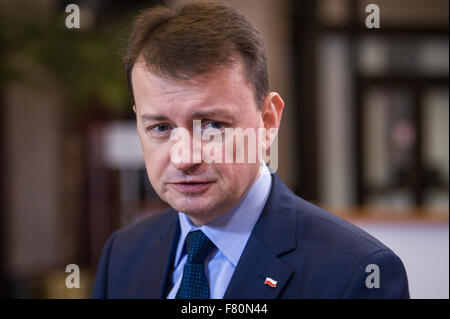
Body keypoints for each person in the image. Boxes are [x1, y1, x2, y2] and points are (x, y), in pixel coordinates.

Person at [91, 1, 409, 299]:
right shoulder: (121, 255)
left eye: (212, 125)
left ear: (268, 119)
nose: (184, 158)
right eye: (161, 128)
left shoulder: (358, 272)